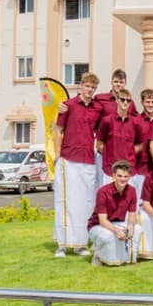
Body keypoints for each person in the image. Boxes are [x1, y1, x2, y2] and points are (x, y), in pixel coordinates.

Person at [53, 72, 103, 258]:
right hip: (68, 158)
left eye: (93, 87)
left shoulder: (97, 108)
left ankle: (80, 244)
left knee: (86, 203)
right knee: (65, 201)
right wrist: (57, 154)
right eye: (87, 86)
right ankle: (62, 245)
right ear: (80, 86)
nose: (90, 90)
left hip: (88, 160)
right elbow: (58, 130)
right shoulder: (68, 105)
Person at [87, 160, 140, 266]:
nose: (122, 179)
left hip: (117, 223)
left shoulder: (132, 191)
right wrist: (116, 231)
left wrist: (131, 226)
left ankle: (128, 258)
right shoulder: (103, 191)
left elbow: (132, 214)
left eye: (125, 176)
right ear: (113, 176)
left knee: (137, 229)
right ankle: (98, 254)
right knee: (108, 235)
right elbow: (102, 221)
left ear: (129, 177)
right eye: (119, 176)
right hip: (97, 225)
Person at [97, 90, 140, 188]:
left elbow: (140, 144)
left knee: (129, 197)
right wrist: (109, 154)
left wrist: (129, 152)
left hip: (129, 169)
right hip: (110, 170)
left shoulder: (135, 122)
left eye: (128, 100)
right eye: (122, 99)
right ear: (117, 100)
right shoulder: (106, 121)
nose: (125, 102)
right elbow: (99, 144)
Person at [132, 89, 153, 192]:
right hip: (140, 169)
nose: (150, 105)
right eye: (147, 102)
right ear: (142, 103)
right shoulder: (136, 121)